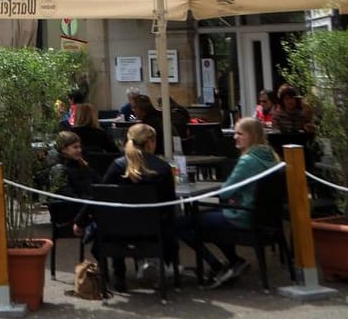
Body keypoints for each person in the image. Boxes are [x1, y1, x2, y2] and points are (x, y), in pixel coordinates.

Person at [180, 117, 278, 288]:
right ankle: (234, 261)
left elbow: (225, 192)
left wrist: (228, 193)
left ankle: (217, 265)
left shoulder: (248, 161)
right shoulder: (270, 156)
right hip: (263, 217)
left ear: (252, 136)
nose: (235, 137)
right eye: (234, 133)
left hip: (243, 216)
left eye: (240, 134)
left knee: (182, 224)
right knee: (208, 219)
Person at [99, 121, 176, 292]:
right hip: (154, 231)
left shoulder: (118, 166)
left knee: (114, 219)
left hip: (118, 232)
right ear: (151, 143)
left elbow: (101, 196)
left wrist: (81, 221)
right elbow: (169, 202)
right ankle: (164, 267)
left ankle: (119, 274)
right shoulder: (163, 168)